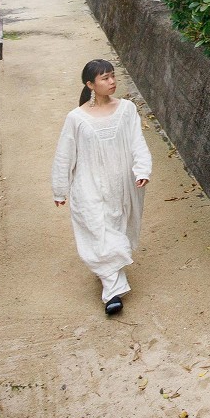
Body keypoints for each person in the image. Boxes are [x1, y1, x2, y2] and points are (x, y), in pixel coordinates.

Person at [51, 58, 152, 315]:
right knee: (100, 232)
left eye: (112, 76)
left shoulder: (127, 109)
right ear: (90, 84)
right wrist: (60, 189)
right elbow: (65, 155)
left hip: (122, 183)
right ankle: (112, 293)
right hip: (88, 184)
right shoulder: (76, 118)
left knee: (118, 230)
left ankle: (110, 278)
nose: (112, 81)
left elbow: (137, 142)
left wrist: (142, 170)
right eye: (105, 78)